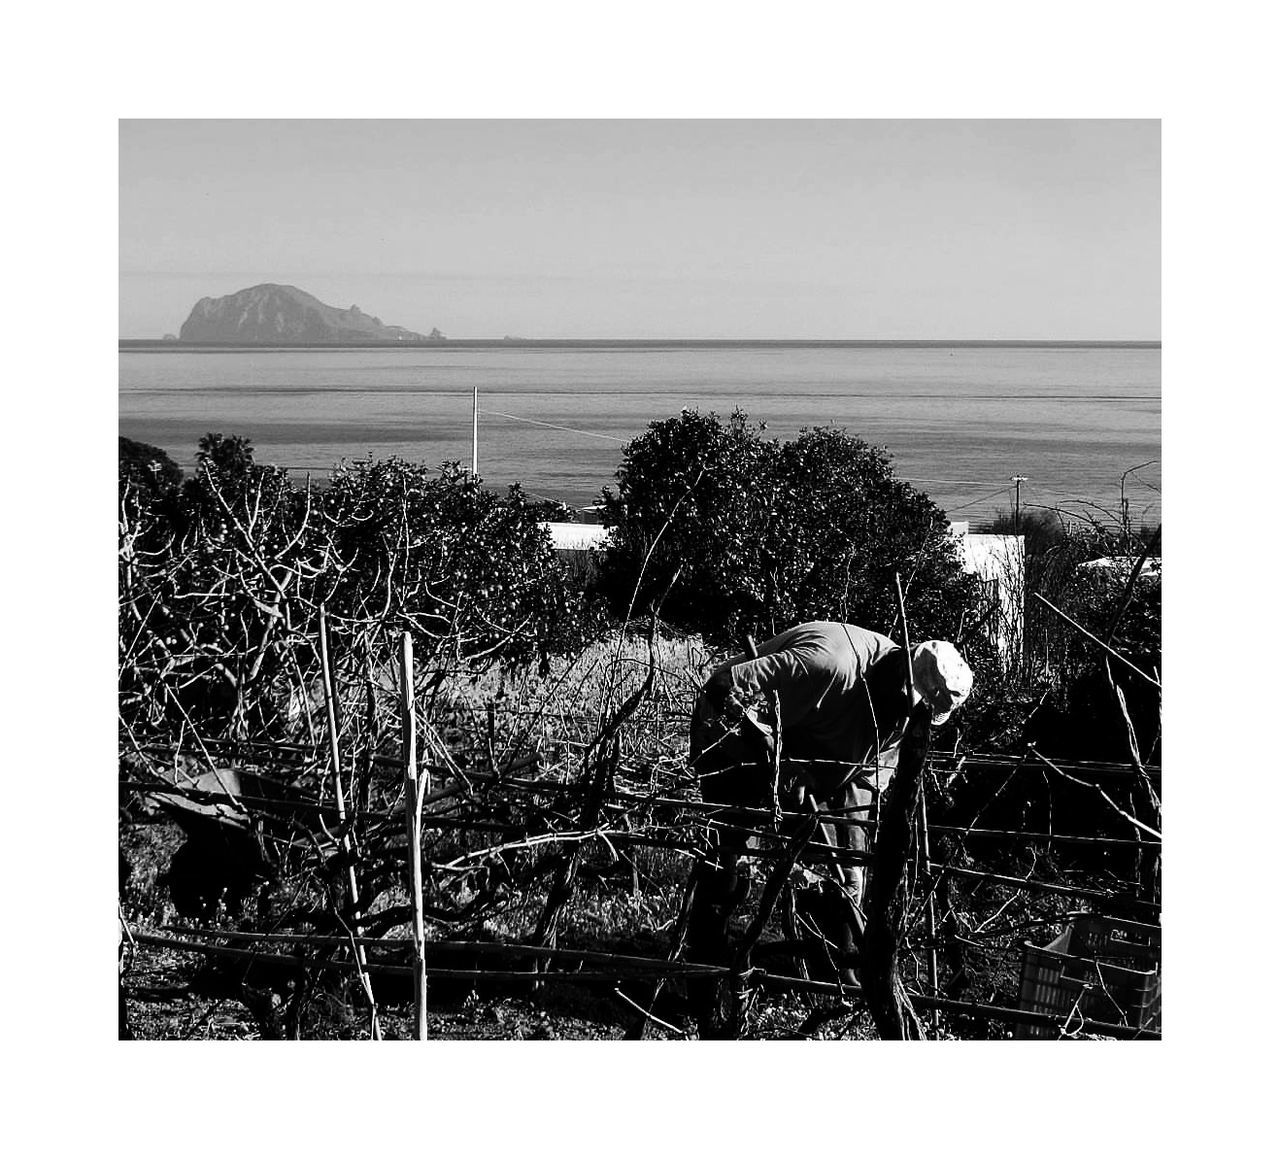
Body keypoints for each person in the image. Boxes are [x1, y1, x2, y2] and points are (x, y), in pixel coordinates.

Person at [686, 621, 973, 1028]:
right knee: (732, 861)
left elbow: (871, 776)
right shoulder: (829, 664)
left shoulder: (905, 711)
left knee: (849, 869)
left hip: (818, 751)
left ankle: (842, 976)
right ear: (904, 680)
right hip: (731, 741)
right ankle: (704, 977)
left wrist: (846, 859)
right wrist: (773, 756)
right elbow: (722, 686)